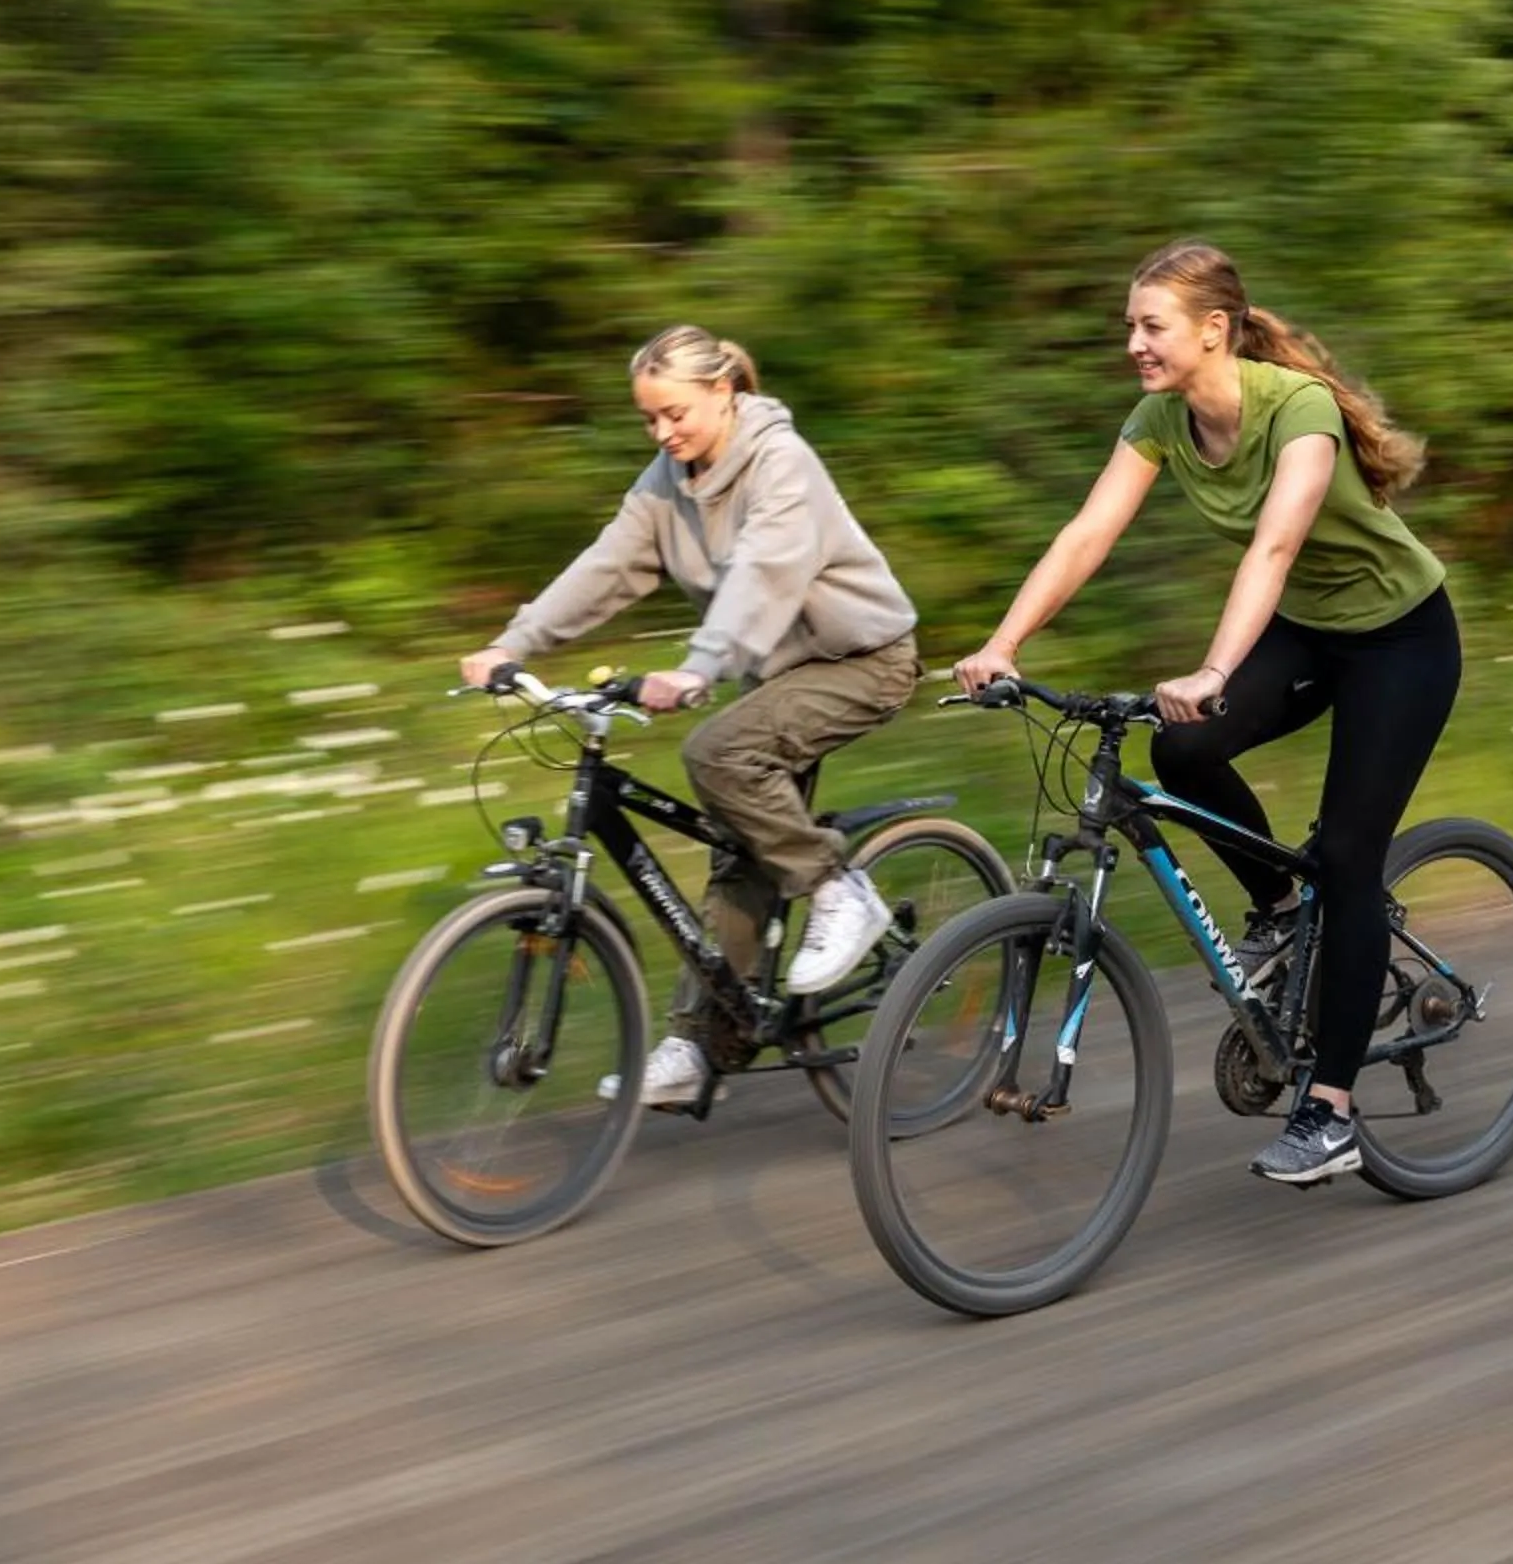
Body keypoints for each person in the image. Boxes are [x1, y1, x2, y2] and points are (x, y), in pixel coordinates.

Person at [953, 240, 1459, 1184]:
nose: (1135, 344)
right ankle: (1278, 904)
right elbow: (1089, 532)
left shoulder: (1296, 410)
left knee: (1350, 857)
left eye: (1152, 326)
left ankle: (1333, 1109)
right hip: (1309, 633)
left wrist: (1216, 666)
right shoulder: (1160, 419)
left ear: (1214, 331)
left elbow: (1272, 548)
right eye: (1131, 327)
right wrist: (1003, 643)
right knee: (1182, 754)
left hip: (1401, 640)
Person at [461, 324, 922, 1108]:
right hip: (779, 671)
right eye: (649, 419)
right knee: (737, 846)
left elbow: (765, 574)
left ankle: (841, 888)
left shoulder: (782, 462)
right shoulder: (667, 481)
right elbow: (606, 566)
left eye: (675, 413)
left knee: (718, 753)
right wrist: (514, 644)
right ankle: (706, 1045)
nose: (662, 432)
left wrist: (701, 666)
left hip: (860, 661)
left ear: (724, 392)